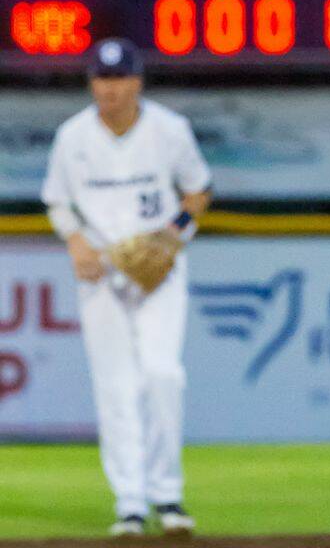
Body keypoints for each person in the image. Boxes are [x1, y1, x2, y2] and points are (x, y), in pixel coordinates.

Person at [41, 38, 212, 538]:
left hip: (157, 271)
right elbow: (57, 201)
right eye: (100, 78)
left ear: (136, 81)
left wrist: (174, 233)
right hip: (100, 273)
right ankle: (131, 503)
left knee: (162, 374)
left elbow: (199, 190)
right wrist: (74, 241)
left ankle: (168, 495)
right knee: (115, 386)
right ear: (91, 82)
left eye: (117, 78)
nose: (108, 88)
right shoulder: (72, 137)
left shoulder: (169, 131)